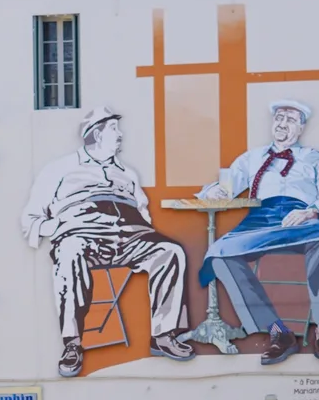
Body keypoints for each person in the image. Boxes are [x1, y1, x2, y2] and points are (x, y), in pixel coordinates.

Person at [21, 104, 192, 378]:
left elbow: (142, 208)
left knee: (170, 251)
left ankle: (163, 335)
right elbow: (32, 216)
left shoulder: (127, 173)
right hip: (84, 234)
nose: (121, 135)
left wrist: (142, 227)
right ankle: (72, 343)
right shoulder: (61, 168)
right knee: (69, 253)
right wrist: (58, 227)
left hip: (130, 234)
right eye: (114, 129)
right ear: (97, 134)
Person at [200, 101, 319, 370]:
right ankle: (277, 331)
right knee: (219, 254)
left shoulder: (315, 158)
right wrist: (213, 192)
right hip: (260, 220)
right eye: (279, 118)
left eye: (291, 119)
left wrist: (309, 213)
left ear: (301, 127)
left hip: (301, 219)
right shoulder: (252, 158)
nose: (282, 124)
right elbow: (226, 186)